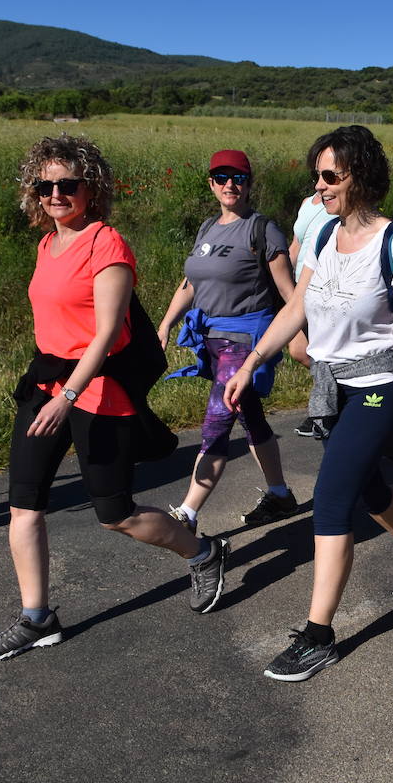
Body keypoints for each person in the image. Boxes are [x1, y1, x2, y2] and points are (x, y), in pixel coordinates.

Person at [0, 135, 226, 661]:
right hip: (44, 383)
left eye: (67, 184)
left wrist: (68, 394)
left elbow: (108, 333)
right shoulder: (47, 244)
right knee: (23, 505)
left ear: (91, 189)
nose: (55, 194)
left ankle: (201, 551)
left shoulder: (105, 243)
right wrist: (53, 389)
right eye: (45, 186)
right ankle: (36, 617)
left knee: (116, 514)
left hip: (93, 391)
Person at [225, 125, 393, 682]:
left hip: (380, 380)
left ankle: (317, 635)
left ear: (361, 177)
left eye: (331, 175)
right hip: (334, 384)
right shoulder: (324, 236)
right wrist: (253, 360)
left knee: (331, 498)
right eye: (317, 176)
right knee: (370, 489)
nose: (321, 185)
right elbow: (297, 308)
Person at [157, 149, 299, 532]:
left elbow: (290, 292)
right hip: (212, 341)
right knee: (251, 419)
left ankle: (185, 514)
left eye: (238, 177)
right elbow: (191, 283)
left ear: (249, 183)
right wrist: (167, 323)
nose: (230, 184)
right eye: (221, 177)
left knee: (217, 421)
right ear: (211, 183)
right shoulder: (207, 229)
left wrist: (306, 334)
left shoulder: (262, 229)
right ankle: (281, 495)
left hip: (246, 341)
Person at [287, 187, 332, 438]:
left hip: (324, 288)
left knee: (316, 350)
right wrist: (283, 285)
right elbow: (296, 246)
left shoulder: (335, 201)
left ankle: (324, 408)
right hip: (299, 288)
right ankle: (332, 398)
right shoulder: (307, 203)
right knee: (298, 350)